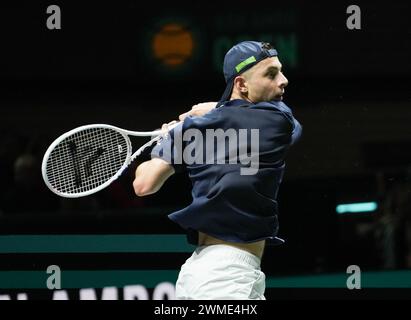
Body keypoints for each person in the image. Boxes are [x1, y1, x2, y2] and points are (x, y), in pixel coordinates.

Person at [133, 41, 302, 299]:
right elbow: (291, 123)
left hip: (199, 272)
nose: (284, 80)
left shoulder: (191, 130)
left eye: (280, 70)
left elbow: (144, 185)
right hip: (226, 276)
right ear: (241, 84)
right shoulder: (274, 121)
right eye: (271, 73)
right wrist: (215, 109)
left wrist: (169, 138)